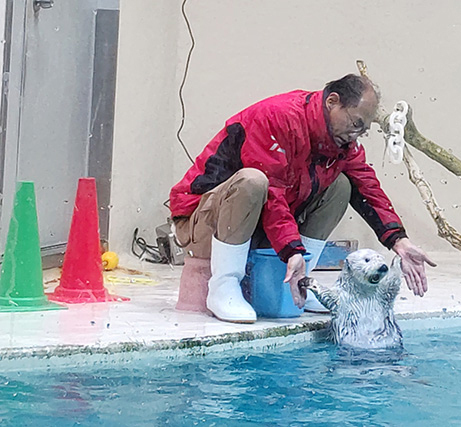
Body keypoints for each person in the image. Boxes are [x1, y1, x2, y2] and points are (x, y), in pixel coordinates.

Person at [169, 74, 436, 323]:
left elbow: (367, 186)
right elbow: (272, 191)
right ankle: (223, 285)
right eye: (355, 123)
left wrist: (398, 240)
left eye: (363, 130)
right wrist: (292, 250)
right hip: (201, 222)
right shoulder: (277, 117)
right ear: (333, 102)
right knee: (253, 181)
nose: (356, 135)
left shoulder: (341, 143)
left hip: (256, 223)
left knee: (342, 185)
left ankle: (300, 281)